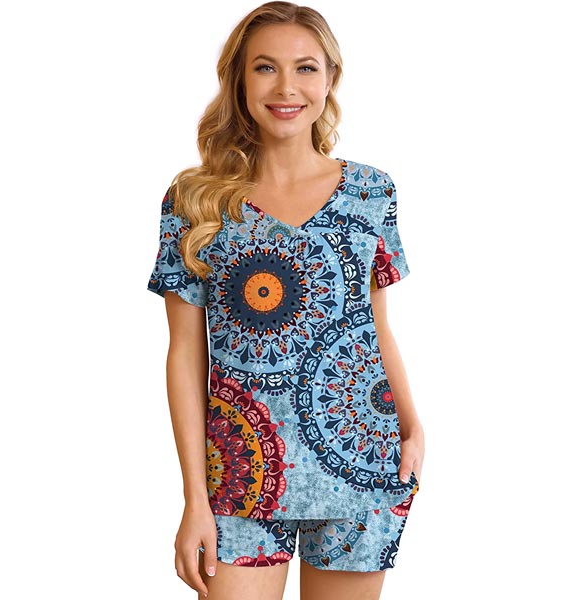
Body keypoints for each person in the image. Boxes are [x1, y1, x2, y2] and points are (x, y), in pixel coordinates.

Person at [146, 2, 425, 598]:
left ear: (330, 78)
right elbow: (184, 354)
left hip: (361, 463)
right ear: (239, 80)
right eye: (265, 67)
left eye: (305, 68)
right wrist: (194, 498)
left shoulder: (371, 190)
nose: (286, 88)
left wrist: (413, 426)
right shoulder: (195, 200)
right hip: (239, 476)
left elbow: (375, 327)